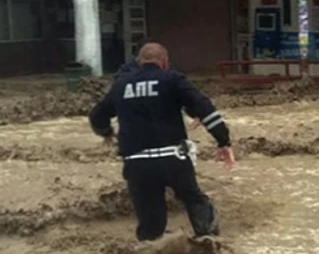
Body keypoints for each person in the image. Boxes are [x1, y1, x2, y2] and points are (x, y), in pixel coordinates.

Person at [89, 42, 235, 241]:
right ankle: (210, 246)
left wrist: (106, 132)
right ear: (165, 62)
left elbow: (97, 116)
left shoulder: (121, 85)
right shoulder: (172, 79)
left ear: (139, 62)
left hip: (137, 162)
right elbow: (205, 109)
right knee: (195, 200)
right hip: (173, 159)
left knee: (150, 223)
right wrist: (223, 141)